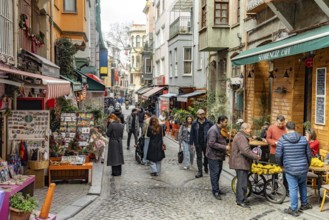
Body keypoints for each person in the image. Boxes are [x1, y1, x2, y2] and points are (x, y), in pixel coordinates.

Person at [276, 121, 312, 217]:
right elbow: (309, 154)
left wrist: (280, 165)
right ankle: (304, 204)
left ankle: (293, 208)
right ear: (295, 128)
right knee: (303, 186)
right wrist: (307, 164)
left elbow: (278, 155)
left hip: (290, 168)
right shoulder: (303, 139)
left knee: (293, 188)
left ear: (286, 129)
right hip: (303, 167)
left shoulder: (282, 140)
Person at [230, 123, 260, 207]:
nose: (250, 130)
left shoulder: (241, 136)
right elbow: (245, 151)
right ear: (245, 129)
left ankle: (242, 198)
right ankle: (240, 200)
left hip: (241, 162)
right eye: (249, 129)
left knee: (243, 182)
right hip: (240, 163)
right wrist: (256, 157)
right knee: (242, 183)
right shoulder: (241, 137)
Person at [206, 115, 230, 200]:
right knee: (215, 174)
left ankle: (217, 189)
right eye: (225, 122)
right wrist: (225, 147)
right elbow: (211, 143)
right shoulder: (213, 130)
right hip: (213, 156)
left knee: (218, 173)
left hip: (219, 155)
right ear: (221, 121)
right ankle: (215, 191)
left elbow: (221, 140)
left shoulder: (221, 129)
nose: (226, 124)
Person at [266, 115, 288, 193]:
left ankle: (286, 190)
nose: (280, 125)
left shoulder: (286, 128)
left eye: (282, 124)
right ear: (276, 121)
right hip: (274, 152)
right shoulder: (271, 128)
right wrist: (275, 142)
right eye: (279, 124)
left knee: (285, 171)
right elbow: (268, 139)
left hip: (285, 152)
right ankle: (274, 188)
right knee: (274, 171)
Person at [189, 109, 214, 178]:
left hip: (207, 143)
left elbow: (213, 132)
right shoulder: (194, 123)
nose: (201, 115)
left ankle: (205, 165)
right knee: (199, 157)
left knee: (206, 157)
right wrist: (191, 143)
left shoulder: (209, 123)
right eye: (200, 114)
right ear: (197, 115)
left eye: (203, 114)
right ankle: (200, 172)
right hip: (198, 143)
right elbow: (192, 133)